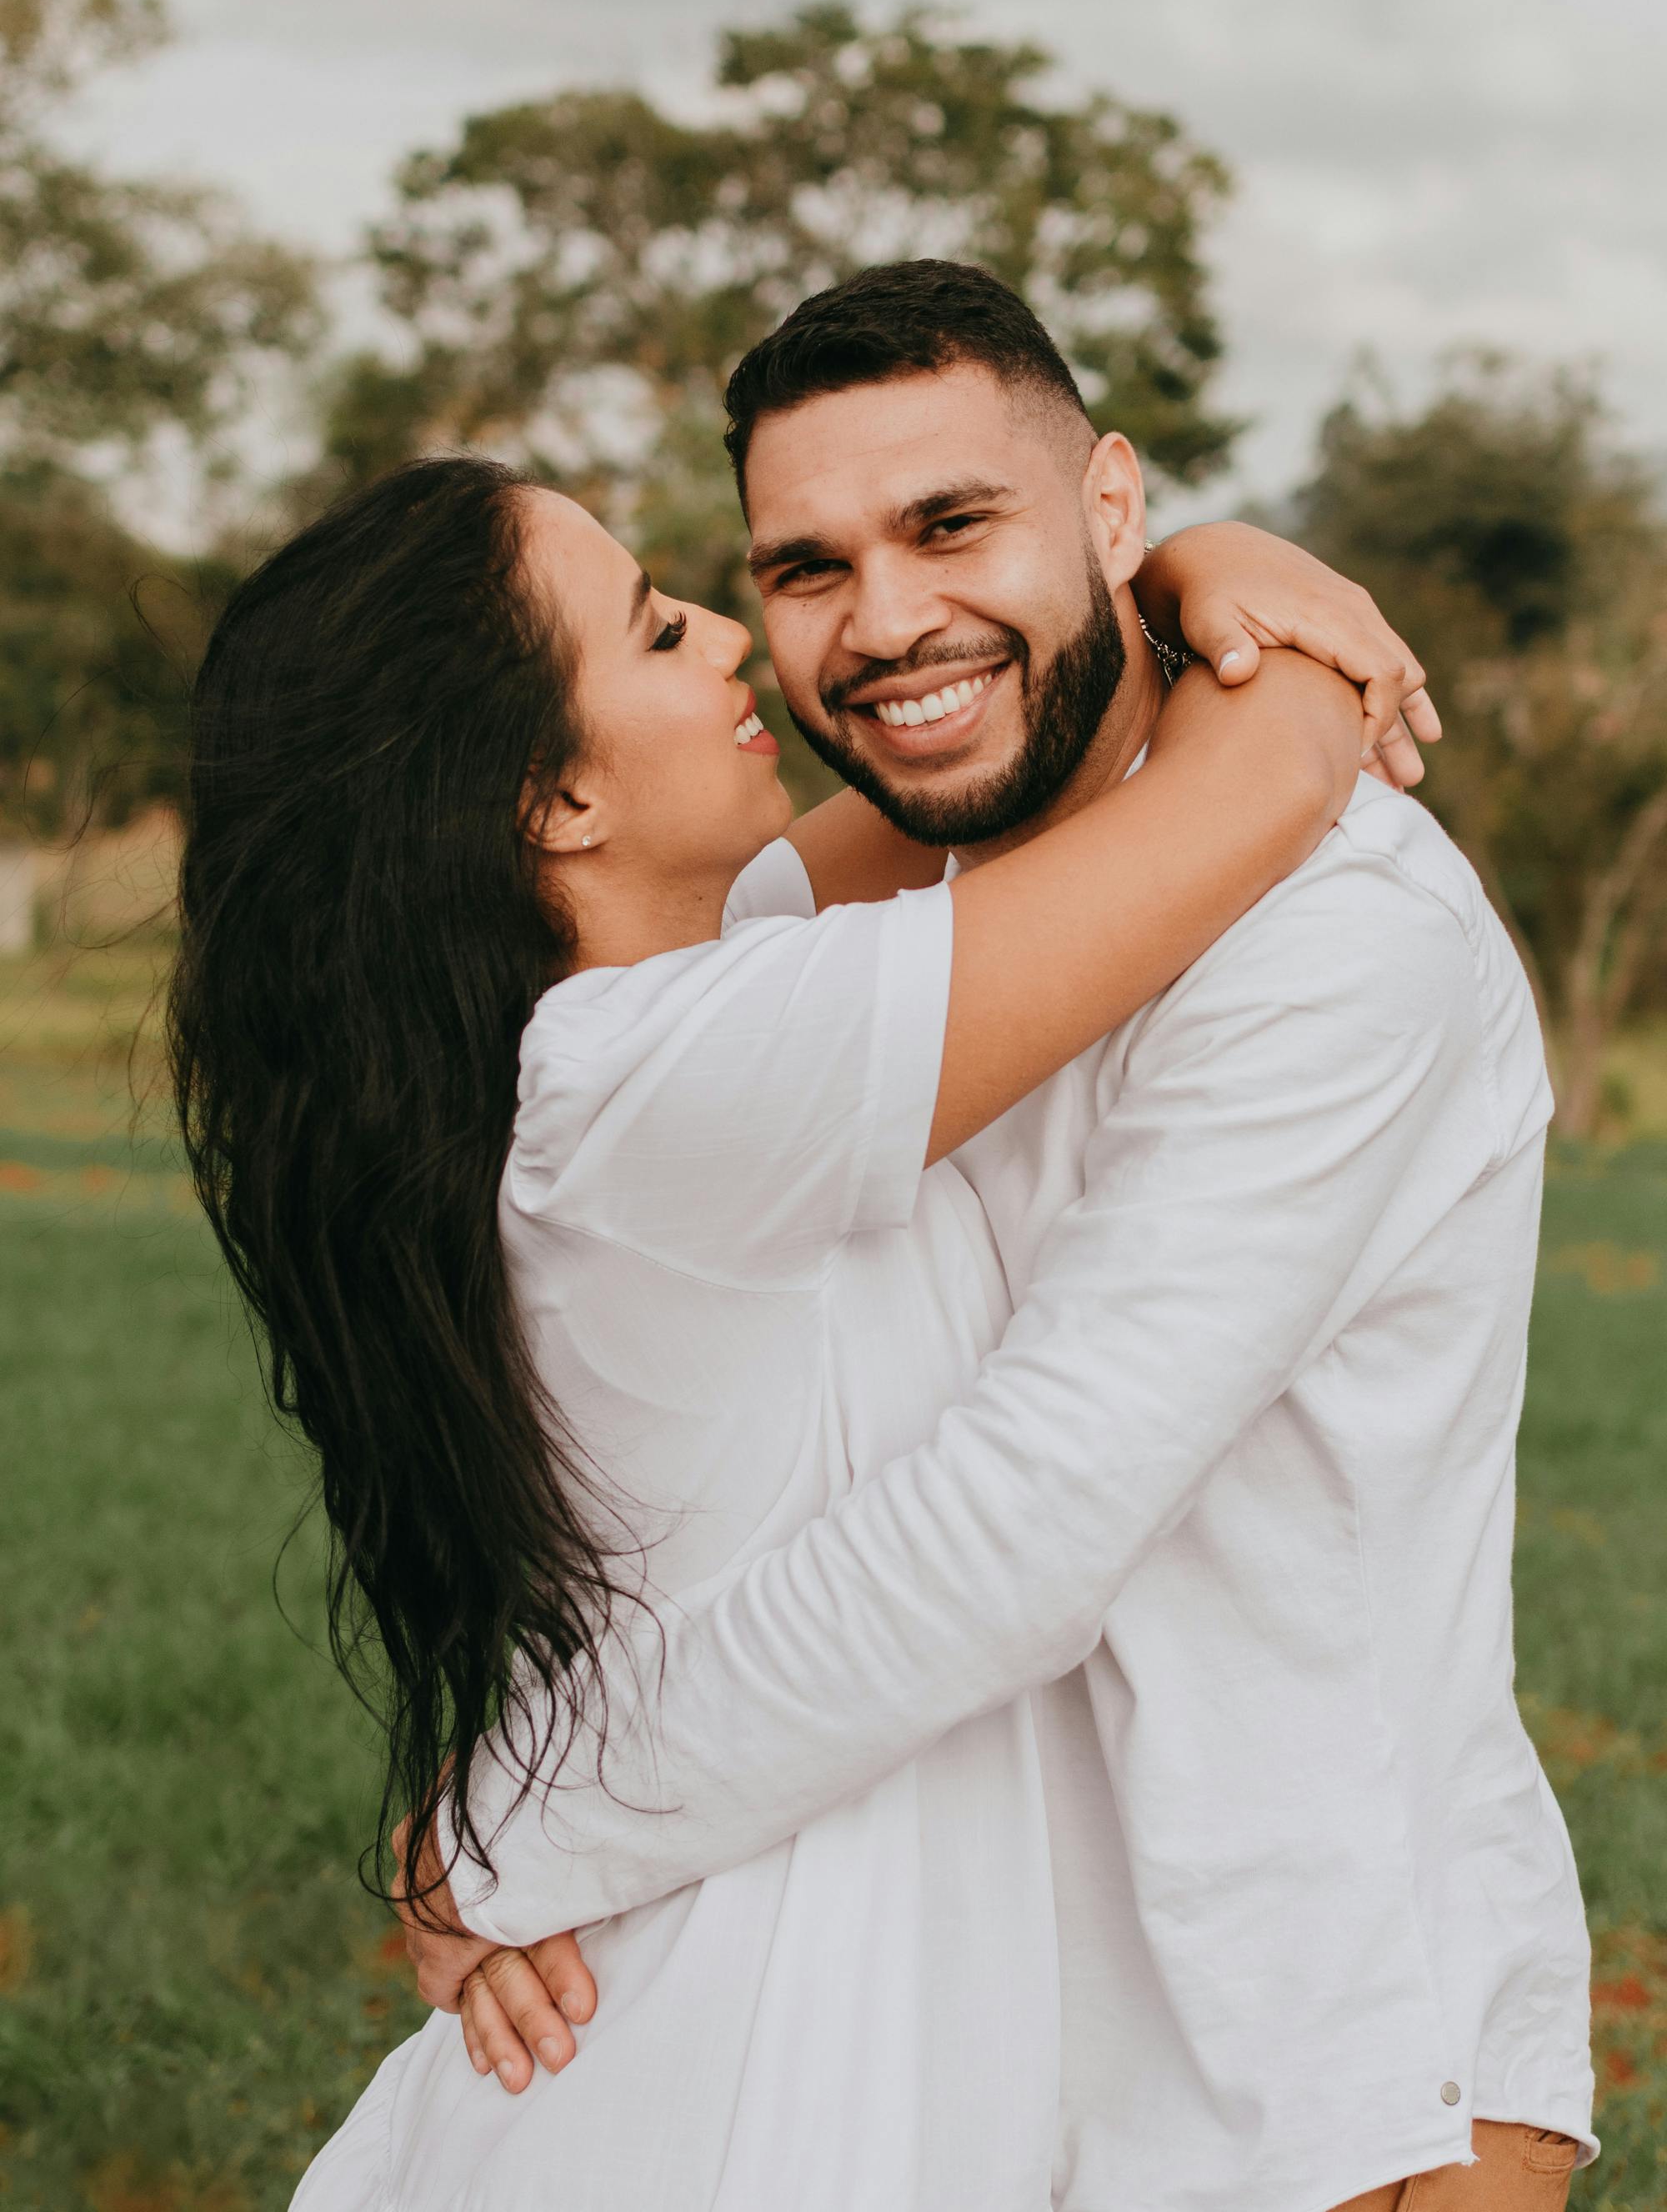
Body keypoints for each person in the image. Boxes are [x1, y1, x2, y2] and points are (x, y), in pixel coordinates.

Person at [394, 265, 1595, 2211]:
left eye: (952, 523)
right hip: (985, 2048)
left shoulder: (1341, 936)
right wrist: (1217, 605)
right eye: (803, 566)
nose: (882, 621)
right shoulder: (839, 958)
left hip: (1307, 2072)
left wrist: (519, 1818)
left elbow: (1011, 1526)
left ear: (1105, 509)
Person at [170, 427, 1418, 2211]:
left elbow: (985, 781)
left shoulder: (655, 1018)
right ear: (552, 803)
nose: (729, 634)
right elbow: (1246, 793)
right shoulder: (676, 1076)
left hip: (748, 1982)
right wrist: (1268, 641)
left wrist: (1171, 569)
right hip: (745, 2056)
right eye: (657, 633)